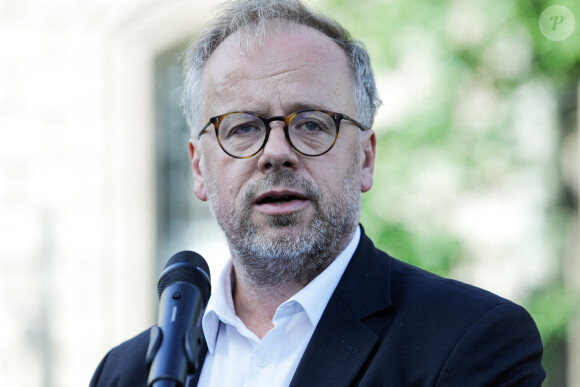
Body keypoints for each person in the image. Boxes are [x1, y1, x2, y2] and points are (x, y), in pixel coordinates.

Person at [90, 0, 546, 385]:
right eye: (242, 127)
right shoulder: (125, 373)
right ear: (199, 168)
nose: (275, 153)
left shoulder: (471, 341)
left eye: (310, 124)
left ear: (365, 158)